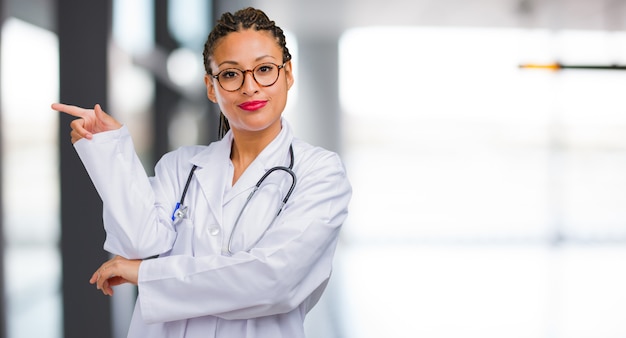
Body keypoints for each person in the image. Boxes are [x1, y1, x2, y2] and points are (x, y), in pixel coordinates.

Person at [52, 7, 351, 338]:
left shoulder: (320, 173)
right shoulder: (181, 167)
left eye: (264, 69)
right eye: (230, 74)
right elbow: (139, 244)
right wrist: (109, 152)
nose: (250, 87)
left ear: (288, 74)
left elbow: (274, 281)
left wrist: (149, 275)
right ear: (211, 87)